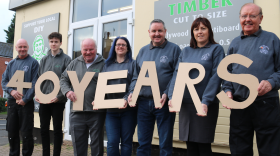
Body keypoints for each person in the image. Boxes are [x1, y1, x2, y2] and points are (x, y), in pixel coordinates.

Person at [222, 3, 280, 156]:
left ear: (260, 19)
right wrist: (228, 90)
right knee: (239, 147)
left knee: (270, 148)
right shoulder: (235, 42)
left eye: (252, 16)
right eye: (244, 16)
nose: (247, 19)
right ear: (240, 19)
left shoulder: (272, 39)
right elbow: (228, 72)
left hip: (266, 103)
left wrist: (271, 83)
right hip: (240, 103)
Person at [168, 17, 225, 156]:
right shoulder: (186, 51)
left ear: (209, 31)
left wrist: (205, 101)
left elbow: (216, 76)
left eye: (203, 28)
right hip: (186, 105)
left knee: (203, 146)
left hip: (205, 104)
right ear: (192, 32)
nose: (199, 32)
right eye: (196, 29)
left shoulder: (216, 49)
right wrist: (172, 96)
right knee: (190, 146)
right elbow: (176, 75)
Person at [128, 19, 181, 156]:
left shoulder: (174, 49)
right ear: (149, 32)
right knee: (143, 143)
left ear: (165, 31)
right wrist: (133, 91)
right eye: (154, 31)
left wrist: (167, 93)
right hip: (143, 103)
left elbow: (177, 75)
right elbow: (136, 76)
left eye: (160, 31)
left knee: (165, 144)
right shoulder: (143, 51)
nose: (157, 34)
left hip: (163, 103)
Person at [60, 38, 106, 156]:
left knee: (97, 146)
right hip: (77, 112)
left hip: (96, 112)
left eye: (91, 49)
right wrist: (67, 92)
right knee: (78, 145)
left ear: (96, 49)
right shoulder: (74, 63)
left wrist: (102, 98)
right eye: (85, 49)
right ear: (81, 50)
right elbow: (63, 79)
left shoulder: (104, 63)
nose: (88, 52)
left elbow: (110, 84)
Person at [92, 37, 137, 156]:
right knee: (112, 142)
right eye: (118, 44)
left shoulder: (133, 64)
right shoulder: (107, 65)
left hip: (128, 111)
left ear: (127, 48)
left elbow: (135, 82)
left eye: (123, 45)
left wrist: (126, 97)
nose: (120, 47)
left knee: (126, 142)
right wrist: (98, 100)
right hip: (111, 111)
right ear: (114, 47)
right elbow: (102, 85)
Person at [35, 32, 71, 156]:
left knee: (56, 130)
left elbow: (68, 80)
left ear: (60, 43)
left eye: (56, 41)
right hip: (44, 101)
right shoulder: (44, 59)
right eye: (51, 41)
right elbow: (39, 78)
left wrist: (59, 97)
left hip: (58, 101)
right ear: (49, 43)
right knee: (44, 129)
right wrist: (37, 94)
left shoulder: (66, 59)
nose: (53, 44)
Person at [1, 39, 39, 156]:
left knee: (26, 133)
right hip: (12, 102)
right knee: (12, 132)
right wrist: (11, 91)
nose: (22, 49)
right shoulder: (11, 63)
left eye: (24, 47)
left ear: (28, 47)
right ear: (16, 48)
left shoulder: (33, 63)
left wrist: (25, 99)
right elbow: (4, 81)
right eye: (20, 47)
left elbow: (35, 83)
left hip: (26, 104)